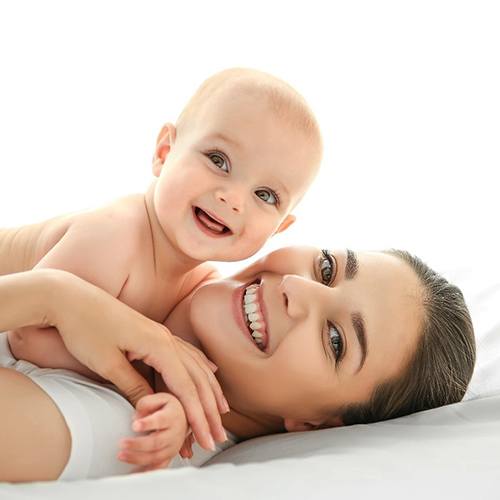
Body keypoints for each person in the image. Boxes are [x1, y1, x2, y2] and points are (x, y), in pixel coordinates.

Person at [0, 67, 323, 453]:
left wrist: (174, 408)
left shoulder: (205, 286)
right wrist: (140, 363)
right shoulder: (116, 234)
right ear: (164, 153)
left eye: (265, 195)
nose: (233, 198)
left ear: (280, 227)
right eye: (218, 160)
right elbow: (30, 338)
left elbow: (175, 369)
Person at [0, 245, 475, 481]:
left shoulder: (133, 433)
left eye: (336, 340)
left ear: (312, 425)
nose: (296, 286)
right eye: (327, 268)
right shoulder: (144, 253)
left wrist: (53, 295)